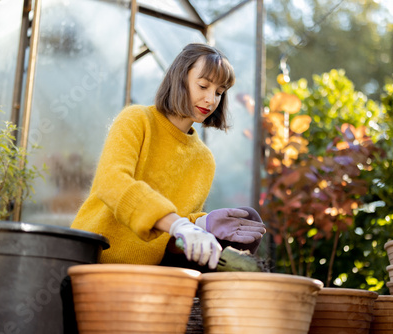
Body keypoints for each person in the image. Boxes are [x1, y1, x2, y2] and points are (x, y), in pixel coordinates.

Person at [71, 43, 266, 270]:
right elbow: (111, 183)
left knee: (248, 217)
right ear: (179, 78)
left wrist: (201, 224)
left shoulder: (203, 160)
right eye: (203, 86)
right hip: (89, 257)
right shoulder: (137, 120)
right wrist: (179, 224)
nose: (211, 99)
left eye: (219, 92)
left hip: (144, 275)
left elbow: (170, 242)